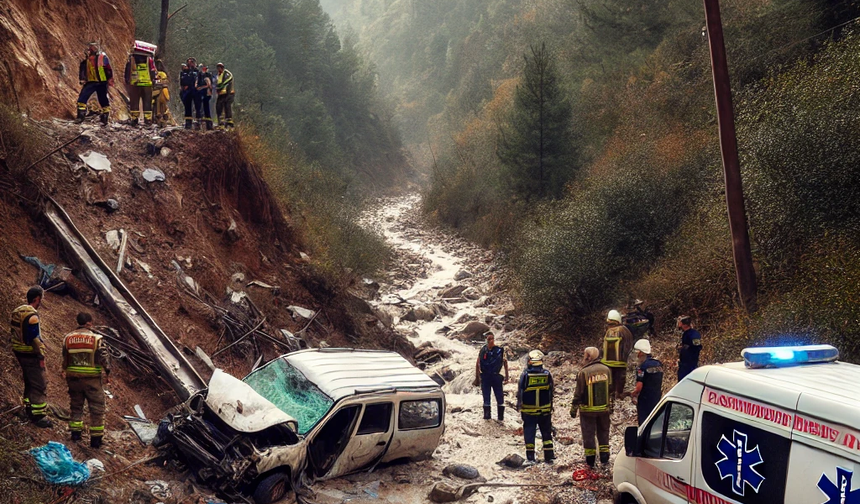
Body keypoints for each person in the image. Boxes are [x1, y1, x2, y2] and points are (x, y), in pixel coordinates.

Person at [62, 312, 111, 448]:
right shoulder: (96, 339)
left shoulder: (68, 338)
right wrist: (107, 372)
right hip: (92, 380)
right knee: (97, 408)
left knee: (76, 406)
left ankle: (75, 435)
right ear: (89, 323)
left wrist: (64, 370)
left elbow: (65, 356)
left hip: (73, 379)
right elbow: (104, 357)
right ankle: (96, 440)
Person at [10, 286, 52, 427]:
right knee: (39, 384)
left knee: (28, 381)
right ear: (37, 299)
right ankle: (38, 415)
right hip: (29, 353)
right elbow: (34, 338)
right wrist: (41, 355)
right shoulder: (32, 315)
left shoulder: (18, 311)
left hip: (18, 351)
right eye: (41, 299)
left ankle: (28, 407)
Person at [570, 347, 611, 468]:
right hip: (604, 409)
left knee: (588, 435)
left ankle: (590, 461)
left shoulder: (584, 372)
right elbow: (611, 389)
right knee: (603, 433)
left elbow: (579, 392)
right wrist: (610, 406)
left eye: (584, 355)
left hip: (588, 410)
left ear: (588, 357)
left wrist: (574, 408)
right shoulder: (606, 369)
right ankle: (604, 459)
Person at [516, 350, 554, 465]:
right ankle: (549, 456)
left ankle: (531, 458)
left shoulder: (525, 375)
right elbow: (551, 391)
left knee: (529, 433)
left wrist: (519, 405)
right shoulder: (547, 374)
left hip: (529, 411)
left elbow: (520, 392)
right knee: (546, 433)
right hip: (545, 410)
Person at [75, 42, 113, 126]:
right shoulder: (87, 59)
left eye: (93, 47)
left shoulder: (102, 57)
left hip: (100, 82)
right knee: (82, 98)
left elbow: (108, 69)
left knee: (103, 100)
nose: (91, 49)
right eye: (91, 47)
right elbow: (83, 69)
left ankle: (105, 118)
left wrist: (109, 79)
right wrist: (82, 79)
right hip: (92, 81)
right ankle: (80, 117)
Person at [475, 330, 508, 421]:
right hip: (485, 376)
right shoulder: (483, 350)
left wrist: (507, 376)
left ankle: (500, 418)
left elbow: (505, 362)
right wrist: (477, 377)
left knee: (499, 396)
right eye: (489, 339)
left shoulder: (499, 350)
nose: (491, 341)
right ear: (486, 340)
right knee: (486, 397)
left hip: (496, 376)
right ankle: (487, 417)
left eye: (492, 339)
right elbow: (478, 363)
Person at [601, 309, 633, 400]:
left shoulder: (607, 331)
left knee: (611, 380)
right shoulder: (625, 330)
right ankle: (618, 393)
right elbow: (629, 344)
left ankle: (611, 395)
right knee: (620, 378)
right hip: (621, 362)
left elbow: (602, 346)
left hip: (607, 362)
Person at [631, 339, 663, 426]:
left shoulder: (642, 367)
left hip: (645, 400)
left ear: (641, 353)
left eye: (637, 352)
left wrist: (633, 394)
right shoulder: (658, 364)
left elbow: (639, 387)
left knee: (644, 423)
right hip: (657, 397)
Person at [123, 43, 157, 126]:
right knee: (147, 102)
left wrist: (127, 80)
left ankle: (134, 119)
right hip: (147, 84)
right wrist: (153, 81)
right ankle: (147, 119)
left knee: (134, 102)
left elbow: (127, 70)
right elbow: (152, 71)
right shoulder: (149, 60)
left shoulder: (132, 60)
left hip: (135, 84)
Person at [677, 315, 702, 380]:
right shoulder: (684, 333)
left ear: (682, 323)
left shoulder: (694, 334)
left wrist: (685, 349)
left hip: (690, 364)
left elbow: (697, 347)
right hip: (683, 363)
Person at [180, 58, 200, 129]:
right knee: (187, 107)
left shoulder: (197, 72)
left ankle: (198, 122)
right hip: (187, 91)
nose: (190, 63)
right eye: (188, 62)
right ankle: (188, 123)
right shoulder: (184, 72)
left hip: (195, 91)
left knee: (198, 106)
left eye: (191, 62)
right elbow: (182, 81)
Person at [215, 62, 235, 128]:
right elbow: (216, 83)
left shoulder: (227, 74)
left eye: (220, 68)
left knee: (227, 105)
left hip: (229, 93)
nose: (219, 69)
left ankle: (229, 121)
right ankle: (220, 121)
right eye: (218, 68)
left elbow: (227, 81)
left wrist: (220, 87)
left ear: (222, 68)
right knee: (218, 106)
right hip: (221, 94)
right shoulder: (218, 75)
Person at [152, 60, 171, 126]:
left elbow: (158, 82)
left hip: (160, 91)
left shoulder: (159, 74)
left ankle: (159, 118)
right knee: (164, 106)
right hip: (165, 91)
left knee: (158, 105)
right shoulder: (165, 74)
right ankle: (164, 118)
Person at [196, 64, 214, 130]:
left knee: (206, 108)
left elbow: (209, 85)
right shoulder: (199, 75)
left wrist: (201, 87)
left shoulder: (208, 75)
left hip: (206, 93)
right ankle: (199, 124)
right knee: (199, 108)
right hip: (200, 94)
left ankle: (209, 125)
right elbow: (197, 84)